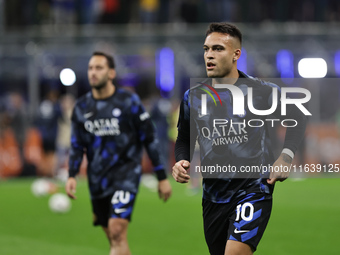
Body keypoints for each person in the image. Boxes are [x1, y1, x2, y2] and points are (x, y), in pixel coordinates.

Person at [172, 23, 307, 255]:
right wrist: (181, 160)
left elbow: (298, 116)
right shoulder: (193, 97)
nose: (209, 55)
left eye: (217, 49)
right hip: (213, 196)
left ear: (236, 54)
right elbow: (184, 137)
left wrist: (286, 157)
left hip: (253, 189)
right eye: (206, 49)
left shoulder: (262, 92)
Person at [65, 51, 172, 255]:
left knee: (116, 230)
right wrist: (71, 174)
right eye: (90, 68)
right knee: (115, 238)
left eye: (99, 68)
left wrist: (161, 176)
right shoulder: (81, 107)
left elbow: (149, 138)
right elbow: (77, 145)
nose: (93, 73)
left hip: (126, 175)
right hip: (98, 179)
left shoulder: (128, 102)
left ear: (111, 73)